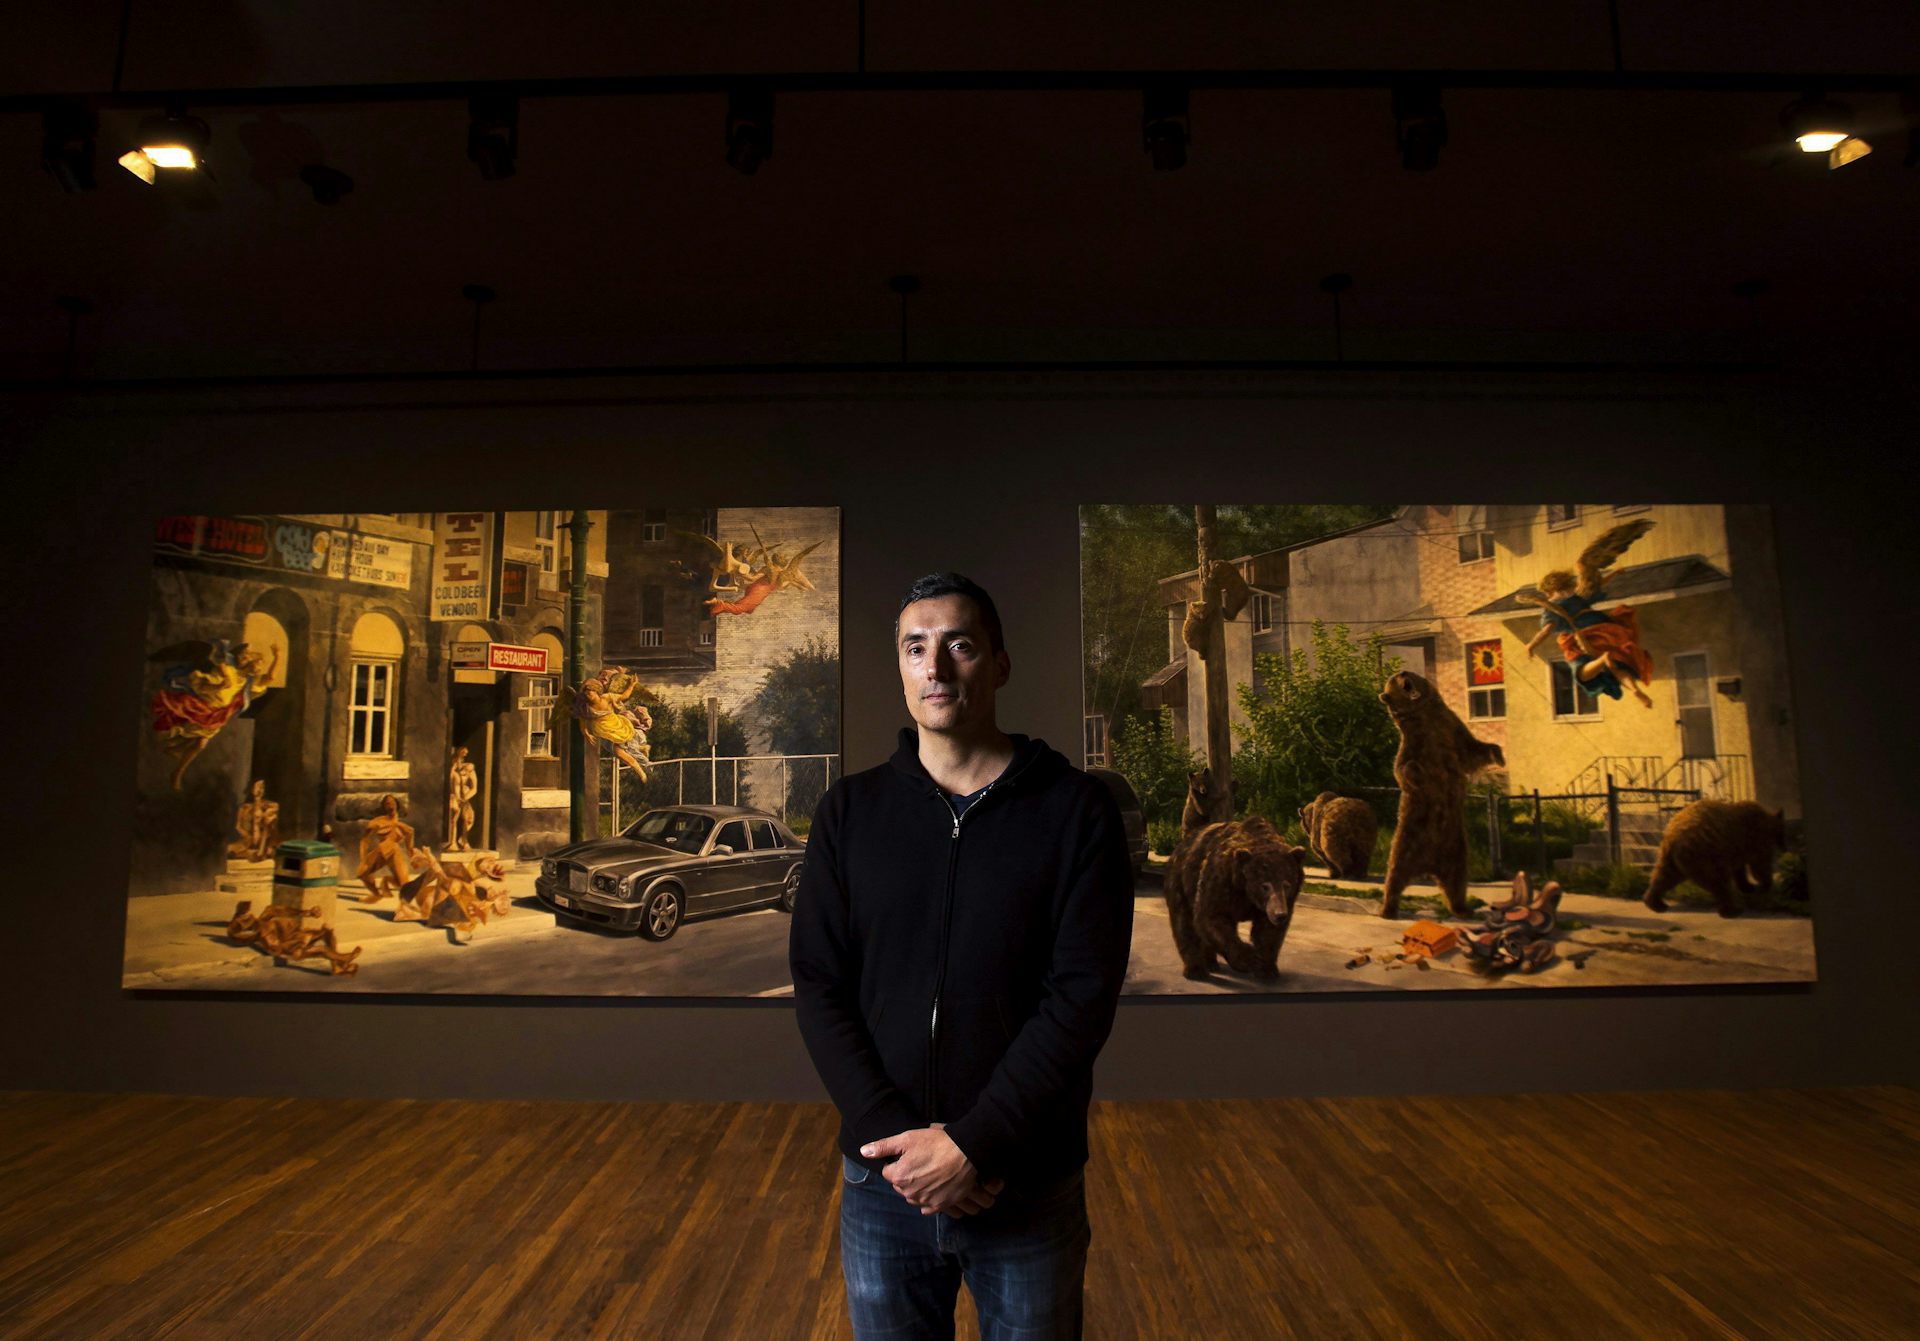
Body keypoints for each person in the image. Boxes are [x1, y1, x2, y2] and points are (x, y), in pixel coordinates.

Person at [790, 572, 1134, 1340]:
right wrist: (903, 1151)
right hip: (886, 1184)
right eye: (917, 648)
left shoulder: (1076, 812)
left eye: (960, 645)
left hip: (1025, 1181)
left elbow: (1081, 996)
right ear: (902, 668)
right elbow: (819, 985)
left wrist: (975, 1145)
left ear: (1000, 664)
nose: (935, 667)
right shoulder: (849, 813)